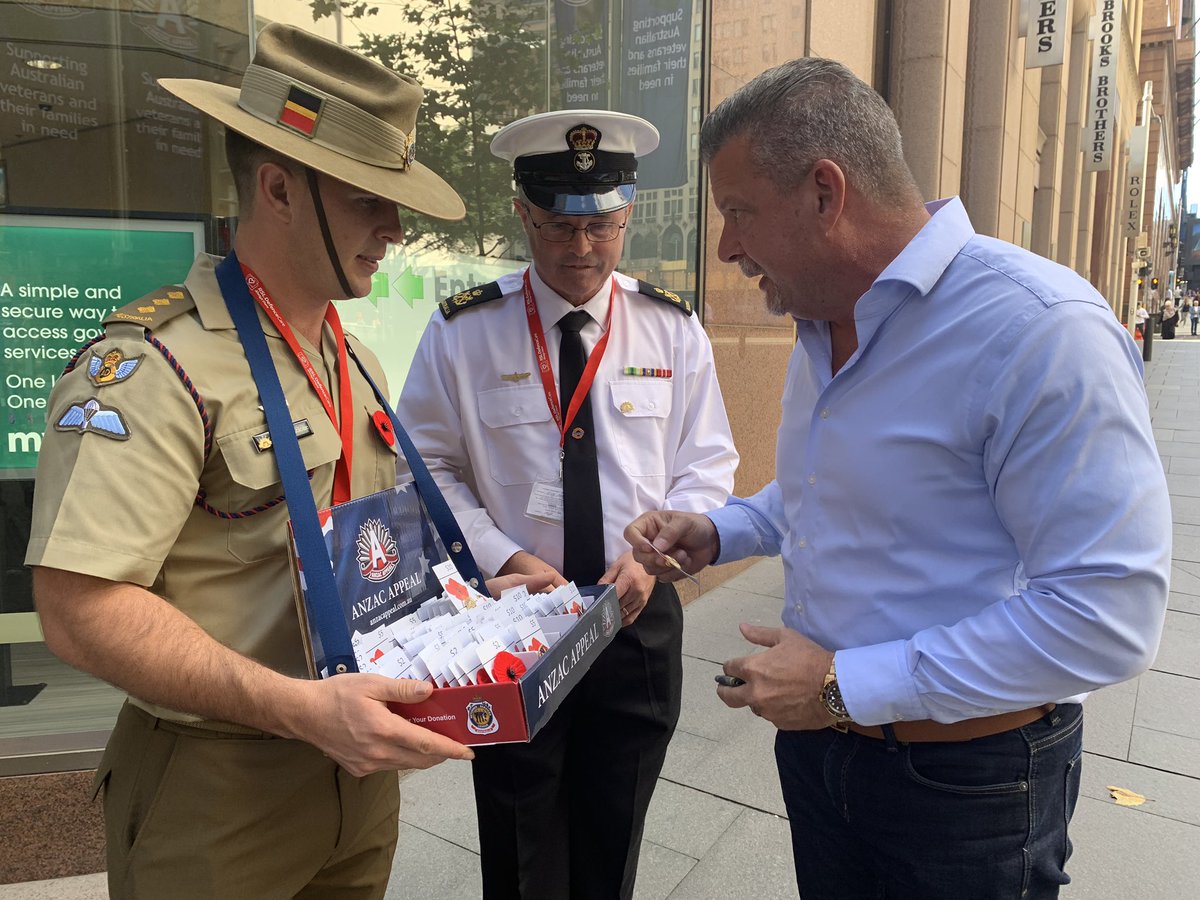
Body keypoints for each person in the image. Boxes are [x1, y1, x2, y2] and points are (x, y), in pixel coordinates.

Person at [626, 58, 1170, 900]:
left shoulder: (1041, 332)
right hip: (818, 753)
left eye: (738, 213)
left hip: (967, 785)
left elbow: (1109, 614)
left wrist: (844, 686)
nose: (727, 246)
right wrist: (722, 529)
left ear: (824, 193)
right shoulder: (818, 320)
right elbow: (832, 492)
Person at [25, 23, 541, 899]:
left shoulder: (356, 361)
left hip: (356, 778)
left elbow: (370, 553)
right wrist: (299, 709)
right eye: (368, 200)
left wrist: (474, 611)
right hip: (220, 791)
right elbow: (79, 609)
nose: (394, 227)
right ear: (278, 187)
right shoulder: (154, 365)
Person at [397, 110, 738, 899]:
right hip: (516, 621)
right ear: (523, 213)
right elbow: (428, 469)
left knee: (615, 830)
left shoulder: (672, 329)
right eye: (556, 226)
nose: (582, 250)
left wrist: (658, 555)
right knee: (519, 833)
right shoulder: (463, 332)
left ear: (628, 214)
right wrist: (503, 558)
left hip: (635, 613)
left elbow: (707, 462)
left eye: (604, 226)